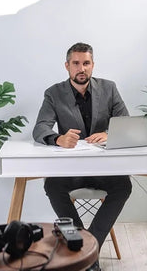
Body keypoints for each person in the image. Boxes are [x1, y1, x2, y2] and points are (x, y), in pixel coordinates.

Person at [33, 42, 132, 271]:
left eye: (86, 63)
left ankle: (87, 250)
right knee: (52, 186)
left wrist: (109, 134)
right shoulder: (54, 93)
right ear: (67, 66)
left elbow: (125, 122)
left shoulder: (109, 88)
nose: (81, 68)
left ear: (93, 65)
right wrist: (58, 138)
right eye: (76, 63)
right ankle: (85, 250)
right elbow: (40, 128)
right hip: (72, 169)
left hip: (103, 169)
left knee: (124, 186)